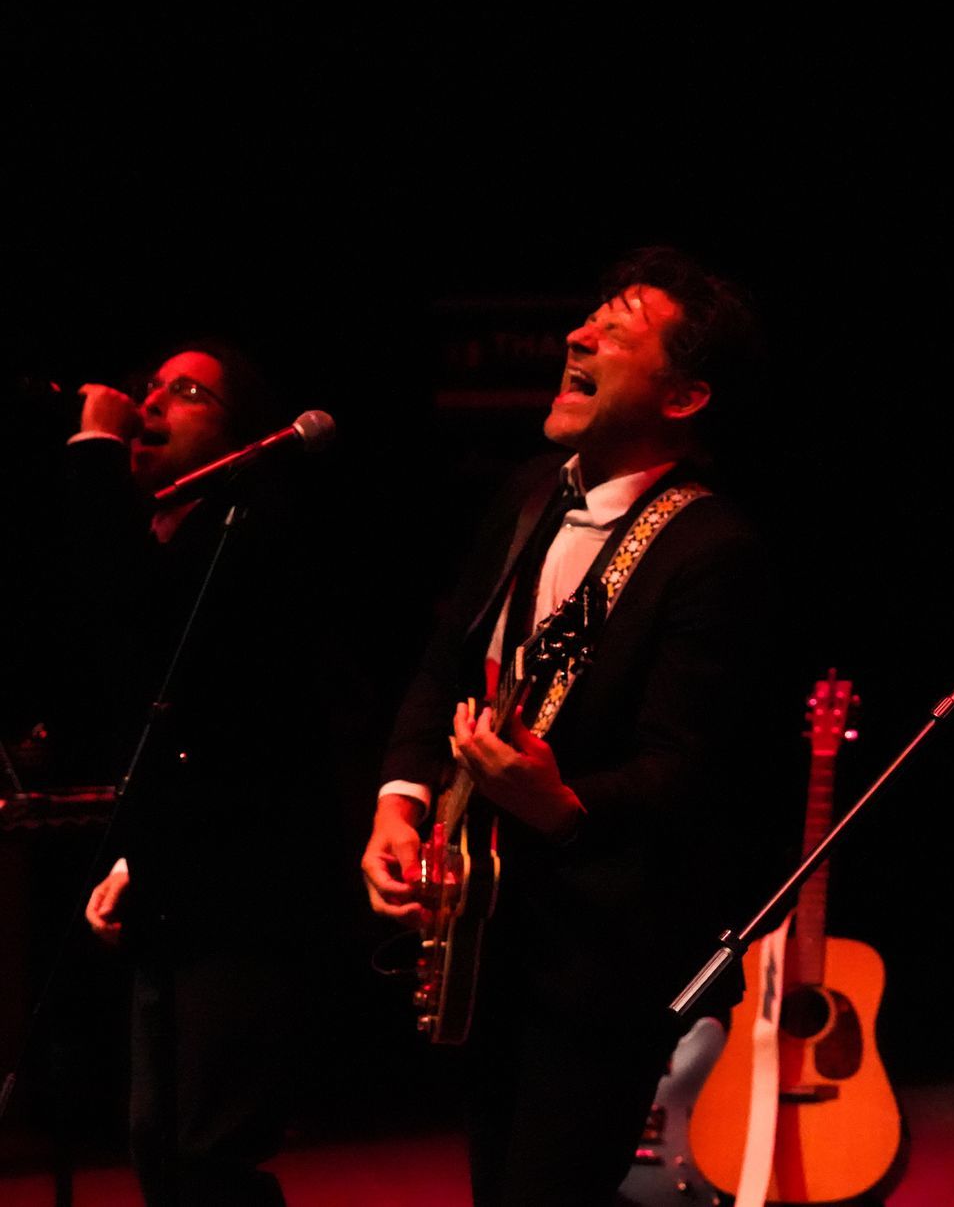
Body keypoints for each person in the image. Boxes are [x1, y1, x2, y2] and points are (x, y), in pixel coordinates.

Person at [359, 246, 783, 1206]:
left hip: (599, 964)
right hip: (489, 936)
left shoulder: (712, 550)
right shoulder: (528, 495)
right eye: (588, 318)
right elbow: (443, 663)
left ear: (684, 398)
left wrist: (561, 803)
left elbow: (689, 774)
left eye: (617, 327)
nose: (576, 335)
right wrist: (402, 800)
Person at [73, 342, 341, 1206]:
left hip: (246, 900)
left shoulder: (252, 536)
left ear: (244, 435)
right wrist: (129, 861)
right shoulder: (174, 541)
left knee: (209, 1153)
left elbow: (140, 618)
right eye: (150, 385)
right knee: (156, 1143)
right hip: (173, 889)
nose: (150, 402)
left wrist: (94, 455)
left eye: (184, 392)